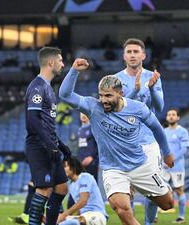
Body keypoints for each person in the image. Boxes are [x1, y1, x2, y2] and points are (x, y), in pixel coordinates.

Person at [59, 58, 175, 225]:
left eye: (108, 95)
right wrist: (74, 71)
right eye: (101, 95)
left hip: (140, 165)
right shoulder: (93, 107)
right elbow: (65, 95)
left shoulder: (137, 108)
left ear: (120, 94)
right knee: (121, 208)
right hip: (113, 170)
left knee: (167, 204)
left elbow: (157, 128)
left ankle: (158, 189)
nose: (104, 100)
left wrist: (167, 152)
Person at [114, 38, 165, 225]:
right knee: (127, 192)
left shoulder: (153, 76)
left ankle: (149, 223)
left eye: (136, 52)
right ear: (124, 56)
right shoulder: (116, 80)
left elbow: (159, 107)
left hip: (148, 141)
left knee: (154, 192)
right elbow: (117, 109)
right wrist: (135, 91)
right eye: (129, 52)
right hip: (125, 141)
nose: (133, 55)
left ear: (144, 55)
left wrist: (151, 89)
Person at [25, 46, 71, 225]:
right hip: (38, 146)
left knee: (61, 189)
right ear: (50, 62)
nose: (62, 64)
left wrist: (60, 145)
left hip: (49, 145)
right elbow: (33, 120)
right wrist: (50, 145)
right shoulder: (37, 86)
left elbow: (47, 124)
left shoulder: (49, 88)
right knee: (43, 191)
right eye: (60, 60)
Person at [57, 157, 108, 225]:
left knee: (72, 222)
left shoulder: (85, 177)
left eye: (65, 166)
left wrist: (65, 214)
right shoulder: (72, 186)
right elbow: (80, 208)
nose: (63, 170)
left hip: (97, 214)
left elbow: (83, 201)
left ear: (73, 167)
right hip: (84, 216)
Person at [162, 108, 189, 224]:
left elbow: (183, 149)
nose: (171, 117)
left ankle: (181, 217)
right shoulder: (163, 131)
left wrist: (171, 160)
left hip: (177, 167)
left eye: (173, 115)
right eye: (169, 115)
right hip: (164, 166)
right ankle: (154, 216)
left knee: (179, 190)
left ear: (178, 117)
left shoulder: (182, 131)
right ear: (167, 117)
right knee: (160, 190)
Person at [67, 112, 99, 209]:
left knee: (91, 186)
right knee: (76, 183)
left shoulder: (94, 128)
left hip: (91, 163)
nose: (83, 115)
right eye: (81, 113)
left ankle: (93, 208)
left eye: (85, 113)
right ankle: (71, 207)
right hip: (79, 163)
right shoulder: (79, 130)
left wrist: (92, 157)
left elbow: (99, 144)